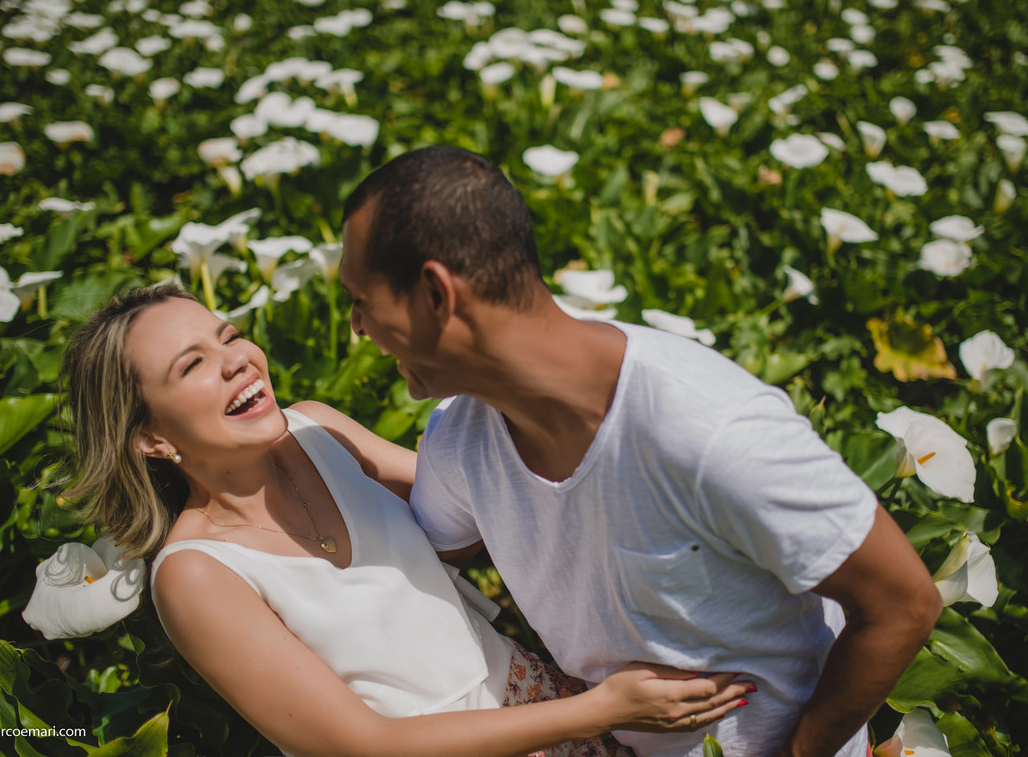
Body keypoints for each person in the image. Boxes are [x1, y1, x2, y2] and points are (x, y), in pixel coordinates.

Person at [336, 146, 945, 757]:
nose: (357, 326)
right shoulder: (461, 437)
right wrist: (317, 443)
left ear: (436, 294)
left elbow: (903, 604)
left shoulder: (711, 431)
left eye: (363, 299)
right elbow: (421, 551)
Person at [60, 284, 751, 757]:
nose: (238, 359)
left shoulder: (319, 431)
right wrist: (607, 708)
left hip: (548, 705)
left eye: (230, 335)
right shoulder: (195, 576)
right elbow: (361, 746)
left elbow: (488, 506)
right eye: (194, 365)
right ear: (149, 438)